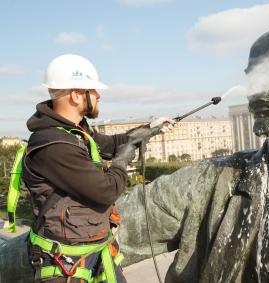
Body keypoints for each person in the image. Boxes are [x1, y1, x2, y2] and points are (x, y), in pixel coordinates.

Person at [1, 26, 269, 282]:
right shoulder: (207, 184)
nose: (260, 89)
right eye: (254, 77)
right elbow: (96, 228)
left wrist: (139, 133)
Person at [20, 54, 174, 283]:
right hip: (65, 266)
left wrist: (150, 129)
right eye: (92, 90)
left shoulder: (76, 133)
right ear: (75, 96)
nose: (98, 95)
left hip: (96, 254)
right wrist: (121, 163)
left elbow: (112, 145)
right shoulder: (54, 145)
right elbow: (106, 191)